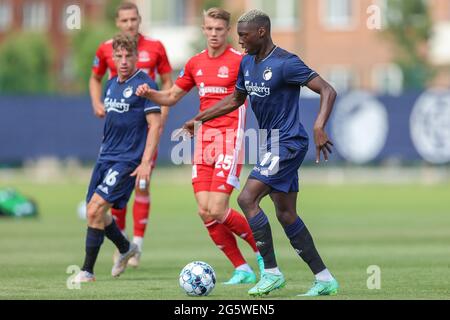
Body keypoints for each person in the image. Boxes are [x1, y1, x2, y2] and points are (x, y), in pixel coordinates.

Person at [179, 9, 339, 297]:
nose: (239, 41)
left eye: (244, 35)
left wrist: (319, 125)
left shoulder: (286, 63)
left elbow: (328, 90)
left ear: (261, 33)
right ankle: (325, 278)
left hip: (288, 142)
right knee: (287, 214)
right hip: (270, 143)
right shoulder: (247, 64)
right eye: (238, 35)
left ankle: (271, 273)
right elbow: (236, 99)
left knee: (246, 197)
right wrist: (200, 118)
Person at [136, 8, 264, 284]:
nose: (214, 34)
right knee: (204, 210)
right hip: (204, 143)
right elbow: (171, 96)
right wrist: (151, 93)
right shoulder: (195, 63)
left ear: (227, 31)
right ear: (203, 30)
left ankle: (263, 253)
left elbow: (257, 92)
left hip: (229, 140)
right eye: (210, 29)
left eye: (220, 29)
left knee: (218, 208)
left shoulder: (241, 62)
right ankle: (241, 267)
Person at [89, 1, 173, 267]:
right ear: (118, 22)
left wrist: (161, 115)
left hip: (146, 128)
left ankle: (139, 241)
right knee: (116, 193)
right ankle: (124, 245)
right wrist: (97, 103)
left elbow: (168, 82)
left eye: (133, 20)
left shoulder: (155, 47)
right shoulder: (106, 48)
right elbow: (95, 77)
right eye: (124, 21)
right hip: (120, 132)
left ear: (139, 20)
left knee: (142, 184)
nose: (129, 24)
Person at [75, 33, 162, 282]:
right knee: (97, 214)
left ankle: (87, 271)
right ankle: (126, 248)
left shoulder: (145, 85)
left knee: (94, 209)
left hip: (127, 161)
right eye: (119, 56)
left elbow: (154, 126)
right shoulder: (111, 83)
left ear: (137, 57)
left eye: (128, 56)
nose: (123, 60)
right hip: (105, 158)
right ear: (113, 58)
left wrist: (145, 162)